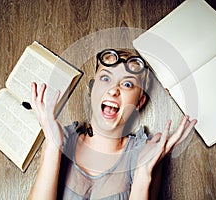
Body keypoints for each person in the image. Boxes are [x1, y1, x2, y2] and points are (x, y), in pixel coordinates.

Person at [28, 48, 197, 199]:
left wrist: (142, 174)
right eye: (105, 78)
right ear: (93, 89)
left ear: (139, 102)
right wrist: (52, 146)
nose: (113, 90)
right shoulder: (60, 140)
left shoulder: (146, 154)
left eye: (127, 84)